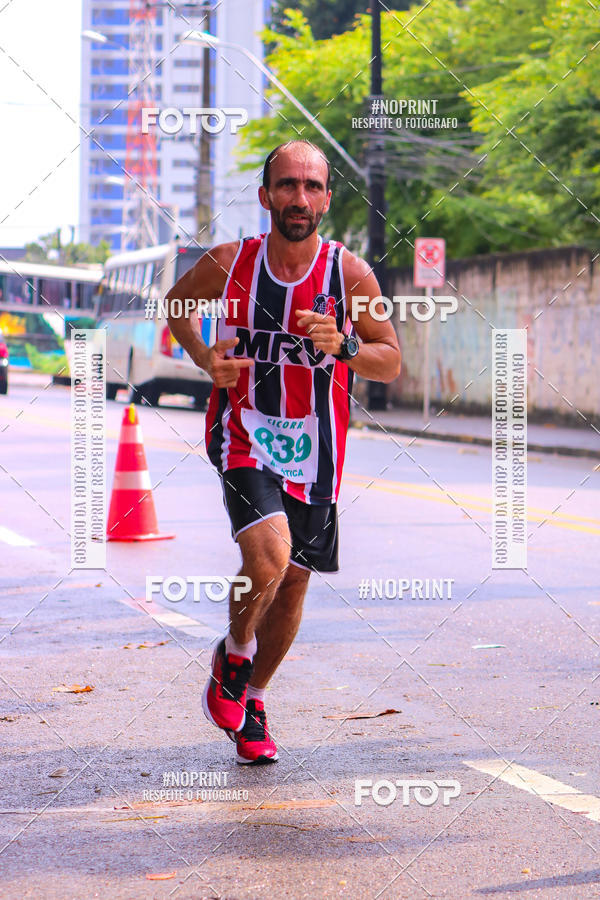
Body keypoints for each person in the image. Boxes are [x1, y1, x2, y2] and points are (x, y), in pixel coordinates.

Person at [167, 140, 401, 764]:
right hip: (243, 432)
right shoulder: (231, 262)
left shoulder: (349, 275)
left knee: (293, 587)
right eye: (288, 185)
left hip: (316, 452)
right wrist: (204, 357)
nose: (300, 198)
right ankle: (234, 655)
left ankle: (254, 699)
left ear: (326, 198)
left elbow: (391, 358)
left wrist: (347, 344)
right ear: (267, 194)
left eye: (313, 186)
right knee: (269, 555)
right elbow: (177, 306)